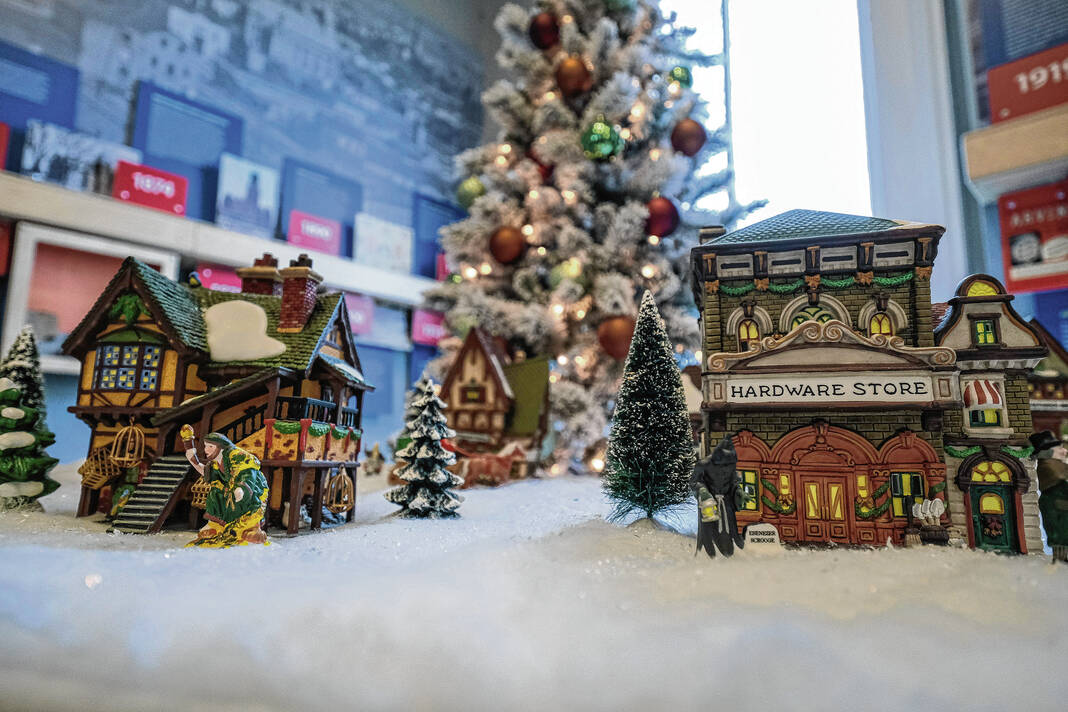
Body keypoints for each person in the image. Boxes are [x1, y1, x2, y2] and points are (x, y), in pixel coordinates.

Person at [185, 432, 269, 548]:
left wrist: (241, 489)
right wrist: (193, 461)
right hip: (229, 490)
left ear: (221, 447)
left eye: (210, 446)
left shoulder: (238, 456)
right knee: (215, 493)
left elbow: (248, 474)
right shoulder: (216, 462)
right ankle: (215, 525)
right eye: (205, 446)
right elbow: (207, 473)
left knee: (248, 505)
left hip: (252, 489)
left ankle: (252, 527)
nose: (206, 450)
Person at [691, 435, 750, 558]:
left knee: (730, 528)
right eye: (723, 464)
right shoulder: (703, 465)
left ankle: (731, 549)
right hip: (710, 503)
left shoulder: (731, 466)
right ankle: (710, 551)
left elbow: (733, 482)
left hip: (727, 503)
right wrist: (702, 490)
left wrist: (739, 491)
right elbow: (694, 482)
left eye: (728, 464)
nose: (725, 468)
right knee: (710, 528)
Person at [1029, 430, 1068, 563]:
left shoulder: (1057, 465)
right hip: (1056, 506)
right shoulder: (1049, 466)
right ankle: (1060, 560)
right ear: (1049, 452)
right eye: (1059, 449)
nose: (1064, 451)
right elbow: (1059, 479)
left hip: (1059, 505)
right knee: (1060, 535)